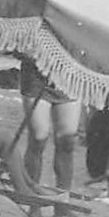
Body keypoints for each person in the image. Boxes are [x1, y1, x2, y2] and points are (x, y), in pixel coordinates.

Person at [19, 55, 82, 194]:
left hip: (71, 80)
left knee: (67, 143)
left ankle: (62, 204)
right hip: (37, 78)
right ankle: (33, 203)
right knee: (38, 138)